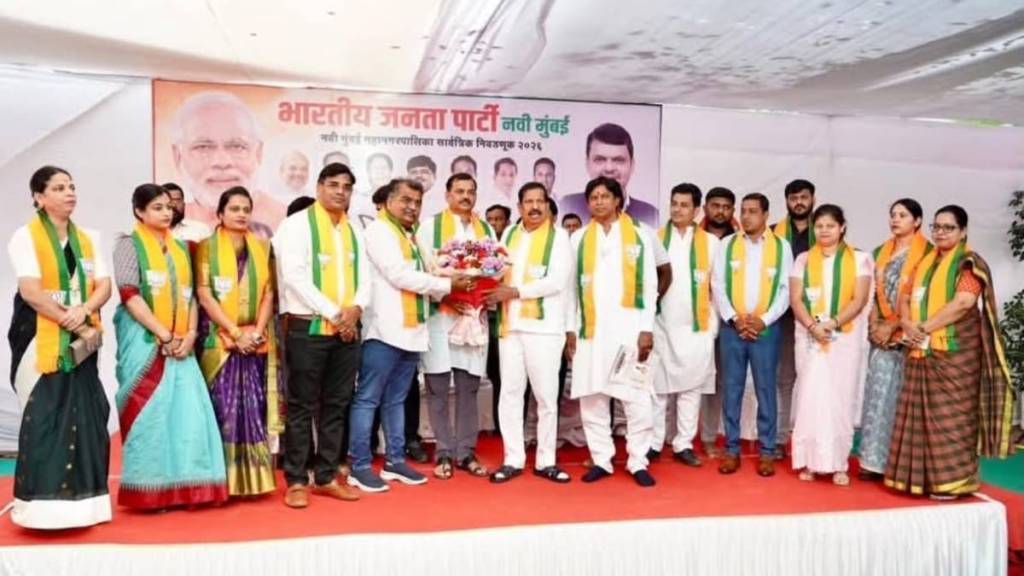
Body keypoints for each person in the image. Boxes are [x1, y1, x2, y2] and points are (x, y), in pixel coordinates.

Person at [347, 179, 472, 492]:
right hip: (384, 330)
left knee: (396, 400)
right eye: (405, 200)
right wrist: (448, 286)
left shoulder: (409, 235)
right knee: (368, 399)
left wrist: (455, 280)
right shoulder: (379, 231)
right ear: (389, 201)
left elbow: (426, 274)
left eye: (417, 202)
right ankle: (359, 466)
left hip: (413, 331)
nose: (412, 207)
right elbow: (399, 275)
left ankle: (394, 460)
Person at [7, 166, 112, 528]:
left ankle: (87, 506)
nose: (70, 193)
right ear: (39, 197)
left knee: (88, 413)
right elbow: (31, 291)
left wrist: (84, 311)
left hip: (81, 332)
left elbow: (104, 285)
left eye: (71, 186)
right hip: (39, 333)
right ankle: (39, 508)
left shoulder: (88, 238)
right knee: (44, 414)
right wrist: (69, 319)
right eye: (59, 187)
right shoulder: (25, 236)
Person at [885, 205, 1015, 499]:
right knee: (918, 416)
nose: (941, 233)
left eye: (949, 227)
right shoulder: (924, 262)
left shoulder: (968, 263)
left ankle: (953, 481)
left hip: (955, 353)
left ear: (963, 231)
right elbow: (904, 297)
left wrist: (922, 328)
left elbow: (963, 303)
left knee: (950, 418)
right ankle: (920, 479)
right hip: (921, 348)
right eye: (937, 227)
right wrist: (907, 324)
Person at [113, 183, 227, 508]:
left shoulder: (180, 248)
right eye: (157, 207)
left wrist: (189, 335)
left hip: (180, 344)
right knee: (150, 414)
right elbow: (129, 295)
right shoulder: (128, 245)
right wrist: (164, 335)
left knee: (188, 413)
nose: (166, 212)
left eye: (168, 206)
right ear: (139, 211)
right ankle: (150, 492)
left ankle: (190, 488)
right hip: (145, 341)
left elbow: (189, 296)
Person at [272, 163, 368, 508]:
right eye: (333, 185)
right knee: (301, 405)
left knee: (337, 404)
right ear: (318, 187)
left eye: (346, 186)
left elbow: (365, 276)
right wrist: (336, 314)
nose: (340, 191)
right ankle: (297, 479)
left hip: (347, 330)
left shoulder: (353, 228)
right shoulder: (296, 225)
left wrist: (356, 308)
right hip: (308, 327)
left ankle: (326, 476)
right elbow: (295, 276)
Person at [565, 176, 658, 487]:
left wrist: (646, 328)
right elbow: (570, 290)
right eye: (594, 197)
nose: (599, 202)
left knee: (636, 398)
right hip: (590, 331)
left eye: (605, 196)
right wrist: (570, 329)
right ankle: (602, 459)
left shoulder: (640, 235)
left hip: (629, 329)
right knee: (592, 397)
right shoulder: (578, 238)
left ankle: (638, 460)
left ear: (618, 200)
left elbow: (651, 284)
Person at [484, 182, 573, 483]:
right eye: (528, 202)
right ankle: (513, 458)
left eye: (540, 201)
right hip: (511, 327)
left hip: (544, 330)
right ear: (520, 207)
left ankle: (546, 461)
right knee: (509, 394)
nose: (534, 207)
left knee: (546, 398)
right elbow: (497, 271)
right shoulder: (509, 234)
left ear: (547, 205)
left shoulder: (560, 238)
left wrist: (514, 291)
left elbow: (557, 281)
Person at [195, 187, 281, 498]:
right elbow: (204, 293)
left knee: (253, 408)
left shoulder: (262, 248)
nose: (241, 214)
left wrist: (256, 331)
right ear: (220, 214)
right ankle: (221, 481)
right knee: (223, 409)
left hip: (254, 342)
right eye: (234, 209)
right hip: (220, 342)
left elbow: (269, 293)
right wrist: (234, 332)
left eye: (246, 209)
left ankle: (253, 481)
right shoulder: (206, 248)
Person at [417, 173, 495, 480]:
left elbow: (495, 269)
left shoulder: (485, 229)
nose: (465, 196)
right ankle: (444, 452)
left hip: (473, 316)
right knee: (438, 386)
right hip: (441, 315)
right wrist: (447, 295)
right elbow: (423, 271)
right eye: (459, 191)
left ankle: (466, 452)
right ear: (447, 195)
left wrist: (478, 297)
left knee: (468, 386)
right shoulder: (429, 227)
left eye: (470, 191)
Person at [788, 204, 872, 486]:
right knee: (810, 397)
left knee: (839, 398)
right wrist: (813, 327)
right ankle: (810, 461)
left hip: (843, 339)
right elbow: (796, 299)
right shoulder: (802, 259)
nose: (824, 230)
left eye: (830, 225)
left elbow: (859, 299)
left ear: (842, 227)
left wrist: (832, 323)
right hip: (810, 337)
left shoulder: (860, 259)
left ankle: (838, 464)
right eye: (820, 225)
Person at [711, 193, 793, 477]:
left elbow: (785, 290)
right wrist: (735, 319)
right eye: (743, 211)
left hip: (766, 329)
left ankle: (767, 451)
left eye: (753, 211)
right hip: (732, 328)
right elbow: (718, 284)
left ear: (766, 215)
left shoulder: (781, 247)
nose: (746, 217)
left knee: (765, 389)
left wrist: (763, 320)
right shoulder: (727, 244)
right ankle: (731, 449)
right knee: (731, 388)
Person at [858, 199, 931, 481]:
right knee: (877, 395)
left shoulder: (928, 254)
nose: (895, 219)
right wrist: (875, 325)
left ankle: (897, 463)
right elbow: (873, 294)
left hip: (909, 334)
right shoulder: (881, 252)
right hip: (881, 335)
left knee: (901, 399)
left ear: (917, 221)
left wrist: (895, 325)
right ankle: (871, 461)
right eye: (893, 215)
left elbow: (923, 296)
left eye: (902, 215)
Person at [651, 183, 721, 467]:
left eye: (684, 205)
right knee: (657, 389)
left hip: (696, 328)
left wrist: (711, 326)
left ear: (696, 210)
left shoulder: (711, 243)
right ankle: (654, 443)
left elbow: (717, 288)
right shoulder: (655, 238)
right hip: (661, 324)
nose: (677, 210)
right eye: (674, 204)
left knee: (691, 390)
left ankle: (683, 444)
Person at [170, 91, 283, 235]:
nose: (221, 162)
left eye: (237, 146)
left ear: (258, 152)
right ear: (178, 156)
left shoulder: (285, 223)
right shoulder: (167, 228)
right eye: (203, 147)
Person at [771, 179, 816, 459]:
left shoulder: (824, 230)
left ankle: (811, 440)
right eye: (793, 198)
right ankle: (779, 438)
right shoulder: (773, 233)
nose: (799, 202)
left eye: (803, 197)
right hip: (784, 317)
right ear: (786, 201)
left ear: (813, 199)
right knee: (783, 379)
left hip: (817, 317)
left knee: (816, 379)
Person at [698, 186, 736, 457]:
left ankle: (710, 436)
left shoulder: (739, 241)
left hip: (730, 319)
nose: (720, 211)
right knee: (689, 377)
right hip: (696, 318)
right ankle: (673, 436)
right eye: (715, 205)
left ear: (732, 210)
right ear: (705, 208)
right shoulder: (692, 238)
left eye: (726, 207)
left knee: (720, 380)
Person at [558, 124, 657, 226]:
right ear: (587, 164)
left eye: (618, 160)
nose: (609, 169)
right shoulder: (567, 205)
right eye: (600, 159)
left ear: (632, 165)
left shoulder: (650, 215)